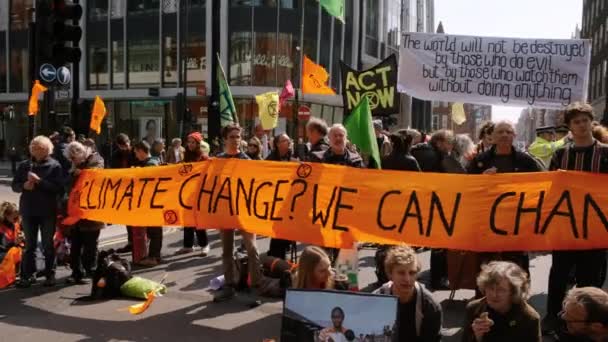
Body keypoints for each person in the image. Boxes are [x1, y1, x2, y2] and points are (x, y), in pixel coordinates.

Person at [543, 102, 608, 334]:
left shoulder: (606, 153)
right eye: (576, 122)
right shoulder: (561, 154)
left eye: (585, 120)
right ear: (569, 127)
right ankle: (553, 317)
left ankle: (588, 320)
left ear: (592, 122)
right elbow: (552, 187)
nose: (581, 125)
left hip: (595, 228)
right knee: (559, 274)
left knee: (589, 277)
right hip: (565, 226)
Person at [468, 121, 541, 272]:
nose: (504, 135)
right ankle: (485, 295)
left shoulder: (526, 161)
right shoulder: (480, 160)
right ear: (492, 137)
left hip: (516, 222)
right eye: (500, 132)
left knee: (516, 266)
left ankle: (517, 294)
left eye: (508, 132)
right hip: (487, 222)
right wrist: (481, 178)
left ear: (514, 136)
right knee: (487, 265)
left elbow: (539, 186)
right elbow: (467, 186)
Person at [213, 123, 262, 303]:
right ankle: (229, 285)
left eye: (238, 137)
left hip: (244, 211)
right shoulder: (217, 160)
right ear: (225, 139)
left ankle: (256, 287)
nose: (236, 140)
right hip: (225, 210)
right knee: (227, 250)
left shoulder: (247, 161)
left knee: (252, 248)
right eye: (232, 137)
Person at [12, 136, 64, 287]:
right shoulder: (24, 165)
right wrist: (24, 186)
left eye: (38, 148)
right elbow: (15, 185)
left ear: (47, 150)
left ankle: (50, 274)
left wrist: (40, 182)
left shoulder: (55, 166)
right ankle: (28, 275)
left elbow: (58, 189)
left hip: (47, 210)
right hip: (28, 210)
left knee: (48, 244)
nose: (35, 150)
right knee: (29, 245)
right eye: (33, 147)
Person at [411, 130, 456, 290]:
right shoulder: (438, 157)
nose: (450, 146)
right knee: (439, 243)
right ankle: (437, 279)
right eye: (449, 143)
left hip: (414, 203)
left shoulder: (415, 151)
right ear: (440, 142)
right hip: (434, 203)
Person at [373, 245, 442, 342]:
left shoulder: (430, 305)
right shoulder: (376, 300)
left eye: (412, 273)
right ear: (390, 274)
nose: (407, 279)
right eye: (401, 273)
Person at [461, 261, 541, 342]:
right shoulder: (475, 309)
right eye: (491, 288)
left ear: (513, 292)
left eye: (501, 290)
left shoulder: (529, 318)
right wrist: (477, 337)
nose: (494, 294)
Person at [63, 141, 105, 284]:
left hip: (92, 211)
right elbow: (69, 184)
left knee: (90, 244)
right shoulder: (75, 164)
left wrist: (83, 172)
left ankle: (90, 270)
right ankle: (76, 272)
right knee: (75, 244)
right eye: (70, 160)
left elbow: (98, 175)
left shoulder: (96, 159)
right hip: (76, 211)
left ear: (79, 153)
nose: (72, 162)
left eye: (73, 158)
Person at [175, 132, 210, 257]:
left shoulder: (204, 158)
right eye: (188, 142)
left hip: (199, 193)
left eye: (192, 142)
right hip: (187, 193)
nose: (190, 145)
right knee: (187, 220)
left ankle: (204, 245)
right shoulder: (186, 157)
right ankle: (188, 246)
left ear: (198, 144)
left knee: (198, 221)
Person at [266, 133, 297, 260]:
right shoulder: (270, 159)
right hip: (276, 201)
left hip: (291, 201)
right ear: (278, 144)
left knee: (287, 232)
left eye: (289, 140)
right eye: (285, 140)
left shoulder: (294, 157)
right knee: (277, 233)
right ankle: (276, 258)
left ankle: (281, 255)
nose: (288, 142)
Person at [132, 141, 163, 267]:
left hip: (152, 202)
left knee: (154, 230)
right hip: (152, 202)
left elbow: (149, 182)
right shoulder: (153, 161)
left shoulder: (151, 164)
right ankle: (154, 256)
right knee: (153, 230)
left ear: (141, 150)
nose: (135, 155)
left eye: (136, 152)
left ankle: (154, 257)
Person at [110, 133, 136, 254]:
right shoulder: (115, 156)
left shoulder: (135, 152)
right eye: (124, 146)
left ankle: (140, 241)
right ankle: (131, 241)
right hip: (123, 189)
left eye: (127, 144)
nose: (127, 147)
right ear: (119, 146)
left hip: (136, 188)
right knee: (128, 218)